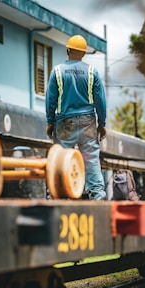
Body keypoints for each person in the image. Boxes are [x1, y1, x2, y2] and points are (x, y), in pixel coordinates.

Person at [45, 35, 107, 200]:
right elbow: (100, 100)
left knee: (61, 161)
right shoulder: (92, 72)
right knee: (91, 159)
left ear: (68, 51)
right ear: (84, 53)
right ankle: (98, 197)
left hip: (64, 121)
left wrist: (50, 122)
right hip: (88, 122)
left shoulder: (57, 71)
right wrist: (102, 124)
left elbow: (50, 100)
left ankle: (55, 198)